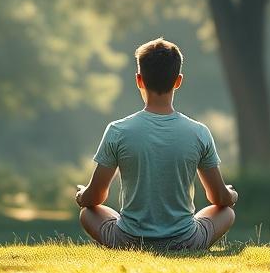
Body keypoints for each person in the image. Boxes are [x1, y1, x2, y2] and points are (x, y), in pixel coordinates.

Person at [75, 37, 238, 251]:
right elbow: (218, 197)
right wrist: (231, 194)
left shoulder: (118, 130)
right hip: (185, 241)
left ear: (139, 80)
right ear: (178, 81)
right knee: (227, 212)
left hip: (129, 241)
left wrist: (81, 195)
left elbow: (95, 197)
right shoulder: (199, 132)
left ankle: (133, 242)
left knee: (88, 213)